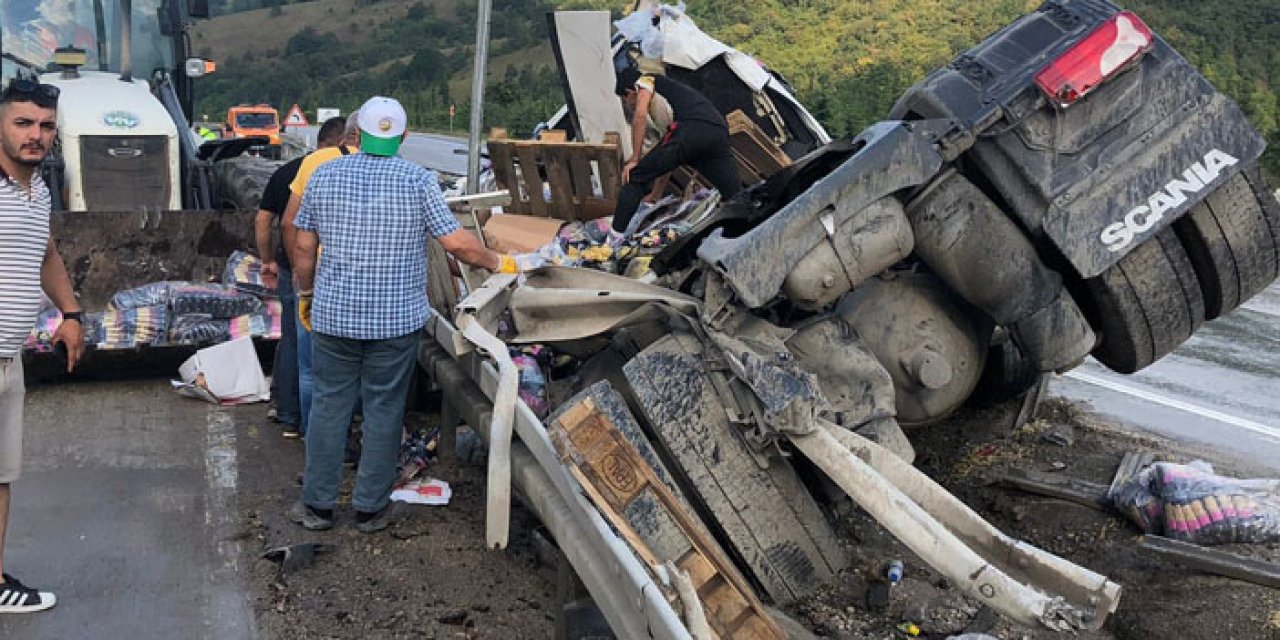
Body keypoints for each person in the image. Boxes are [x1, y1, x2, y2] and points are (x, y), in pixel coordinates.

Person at [288, 96, 518, 533]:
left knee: (330, 404)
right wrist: (500, 263)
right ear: (404, 137)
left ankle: (317, 506)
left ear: (356, 135)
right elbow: (457, 245)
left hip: (334, 315)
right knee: (383, 407)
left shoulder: (324, 175)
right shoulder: (418, 181)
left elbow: (303, 246)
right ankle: (370, 508)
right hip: (394, 322)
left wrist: (307, 293)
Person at [0, 77, 86, 613]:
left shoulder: (37, 191)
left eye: (46, 126)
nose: (36, 135)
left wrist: (70, 313)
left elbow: (46, 253)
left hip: (9, 360)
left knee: (1, 477)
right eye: (23, 123)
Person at [255, 115, 346, 438]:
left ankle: (290, 415)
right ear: (341, 141)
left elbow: (267, 222)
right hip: (323, 271)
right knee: (326, 360)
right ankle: (327, 431)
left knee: (293, 344)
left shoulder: (287, 172)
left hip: (292, 270)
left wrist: (270, 261)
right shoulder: (340, 170)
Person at [611, 56, 742, 235]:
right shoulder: (666, 104)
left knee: (635, 177)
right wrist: (656, 194)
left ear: (630, 92)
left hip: (691, 128)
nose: (629, 106)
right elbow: (667, 159)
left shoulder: (645, 81)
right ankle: (741, 232)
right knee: (734, 195)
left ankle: (614, 237)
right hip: (716, 132)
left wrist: (634, 159)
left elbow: (639, 117)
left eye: (626, 101)